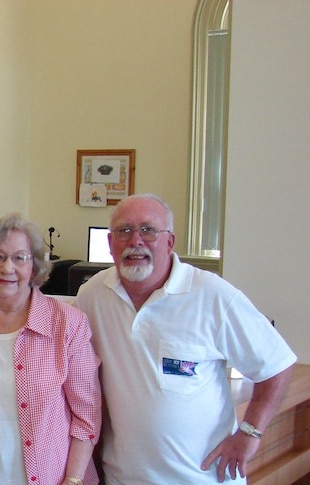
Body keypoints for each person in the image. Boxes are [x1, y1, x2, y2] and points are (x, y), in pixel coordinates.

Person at [76, 193, 296, 484]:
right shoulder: (92, 295)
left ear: (170, 242)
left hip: (203, 478)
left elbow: (277, 365)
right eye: (124, 231)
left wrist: (250, 433)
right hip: (124, 477)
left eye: (148, 230)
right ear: (110, 243)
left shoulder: (213, 296)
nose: (136, 241)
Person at [0, 213, 101, 485]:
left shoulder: (68, 324)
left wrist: (73, 479)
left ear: (35, 267)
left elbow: (87, 417)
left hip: (50, 476)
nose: (7, 268)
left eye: (20, 258)